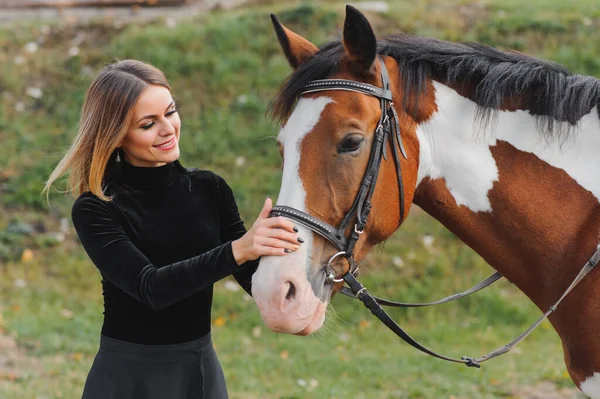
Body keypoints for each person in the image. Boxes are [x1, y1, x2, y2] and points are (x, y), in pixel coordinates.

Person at [43, 59, 302, 399]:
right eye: (149, 124)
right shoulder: (96, 208)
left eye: (171, 112)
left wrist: (305, 260)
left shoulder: (210, 188)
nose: (168, 129)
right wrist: (239, 249)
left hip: (198, 372)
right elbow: (151, 288)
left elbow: (254, 279)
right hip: (126, 377)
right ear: (117, 135)